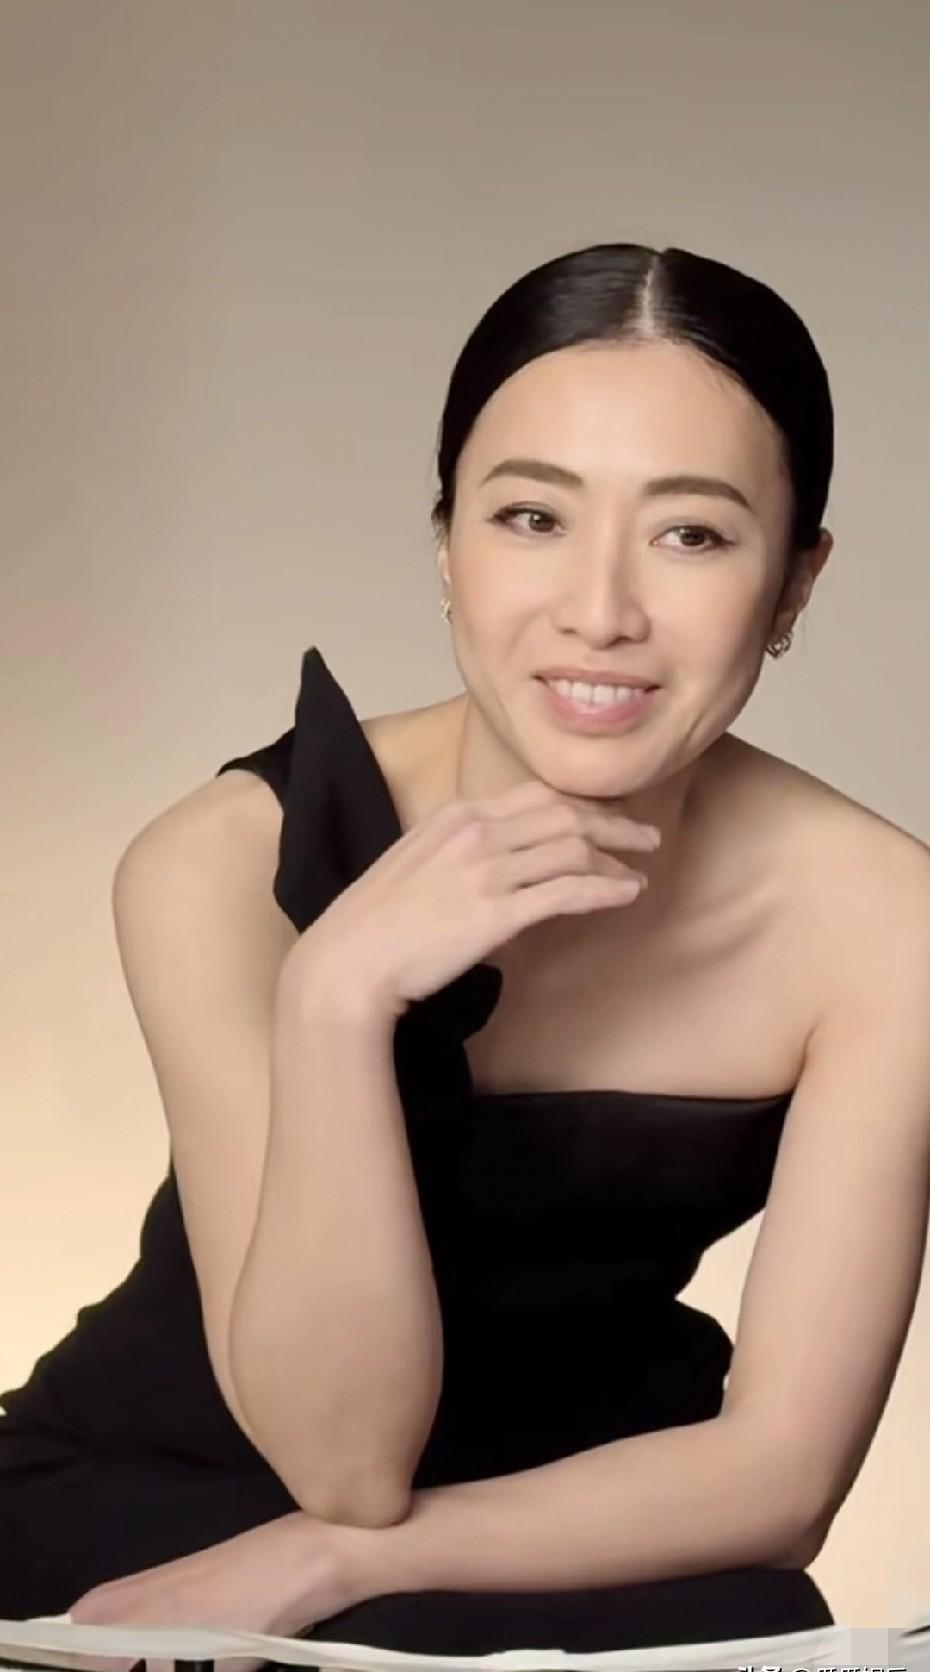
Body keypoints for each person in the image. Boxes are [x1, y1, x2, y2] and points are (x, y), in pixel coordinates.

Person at [3, 240, 928, 1655]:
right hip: (149, 1497)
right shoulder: (218, 863)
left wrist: (325, 1565)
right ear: (445, 545)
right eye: (529, 517)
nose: (599, 612)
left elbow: (780, 1477)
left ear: (796, 582)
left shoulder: (886, 925)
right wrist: (335, 995)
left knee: (750, 1622)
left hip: (582, 1530)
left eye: (692, 534)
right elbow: (344, 1462)